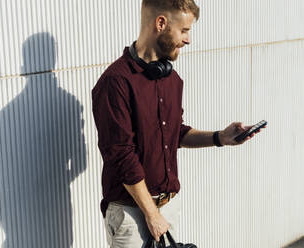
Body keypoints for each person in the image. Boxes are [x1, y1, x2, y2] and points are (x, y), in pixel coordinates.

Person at [92, 1, 265, 247]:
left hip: (168, 207)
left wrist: (220, 137)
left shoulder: (171, 78)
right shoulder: (115, 83)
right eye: (184, 30)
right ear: (161, 23)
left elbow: (175, 133)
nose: (188, 39)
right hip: (131, 213)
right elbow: (120, 155)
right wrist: (152, 214)